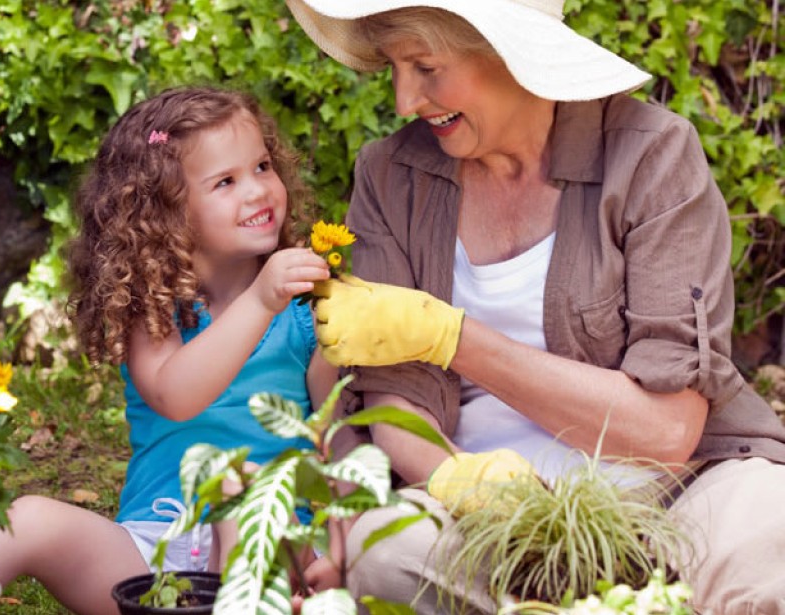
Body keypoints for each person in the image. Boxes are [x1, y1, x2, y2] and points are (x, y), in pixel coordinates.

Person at [284, 1, 785, 613]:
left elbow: (667, 431)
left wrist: (455, 339)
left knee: (771, 538)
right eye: (393, 68)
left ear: (511, 55)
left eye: (426, 68)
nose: (404, 100)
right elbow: (394, 403)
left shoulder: (652, 156)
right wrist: (476, 493)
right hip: (479, 513)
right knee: (388, 557)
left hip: (673, 491)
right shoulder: (391, 175)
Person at [0, 86, 338, 615]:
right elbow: (174, 395)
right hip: (148, 554)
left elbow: (338, 432)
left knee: (243, 493)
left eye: (262, 166)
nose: (257, 191)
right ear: (166, 210)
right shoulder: (156, 305)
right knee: (26, 519)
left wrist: (341, 544)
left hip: (272, 544)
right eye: (226, 182)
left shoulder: (306, 309)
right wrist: (261, 301)